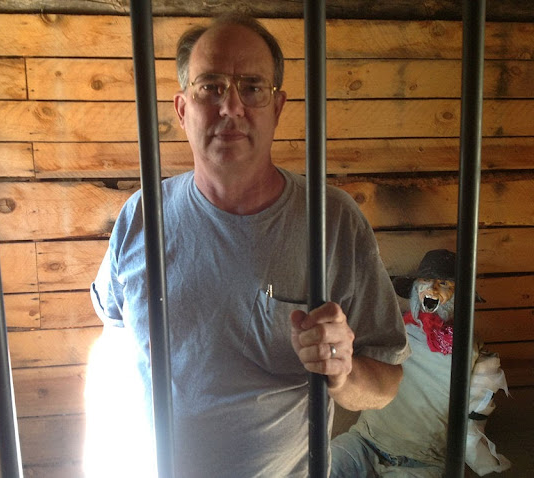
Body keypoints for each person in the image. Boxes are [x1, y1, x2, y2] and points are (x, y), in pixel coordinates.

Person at [90, 14, 410, 477]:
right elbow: (115, 335)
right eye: (210, 86)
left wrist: (342, 373)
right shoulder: (140, 217)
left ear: (277, 107)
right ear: (182, 108)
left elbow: (386, 384)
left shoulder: (334, 222)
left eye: (253, 87)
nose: (232, 106)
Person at [330, 249, 511, 477]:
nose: (432, 290)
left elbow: (476, 414)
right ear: (415, 287)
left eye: (444, 284)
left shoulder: (470, 350)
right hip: (365, 441)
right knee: (319, 466)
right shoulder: (393, 331)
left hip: (423, 460)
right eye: (426, 281)